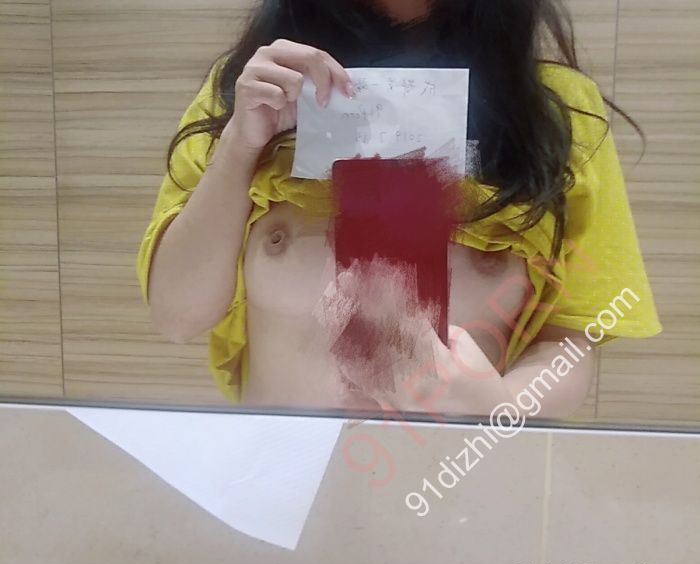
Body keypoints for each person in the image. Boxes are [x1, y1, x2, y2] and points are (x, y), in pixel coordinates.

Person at [136, 0, 662, 417]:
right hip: (276, 478)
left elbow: (571, 341)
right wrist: (239, 145)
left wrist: (498, 406)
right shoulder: (255, 89)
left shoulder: (557, 112)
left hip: (452, 479)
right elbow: (178, 317)